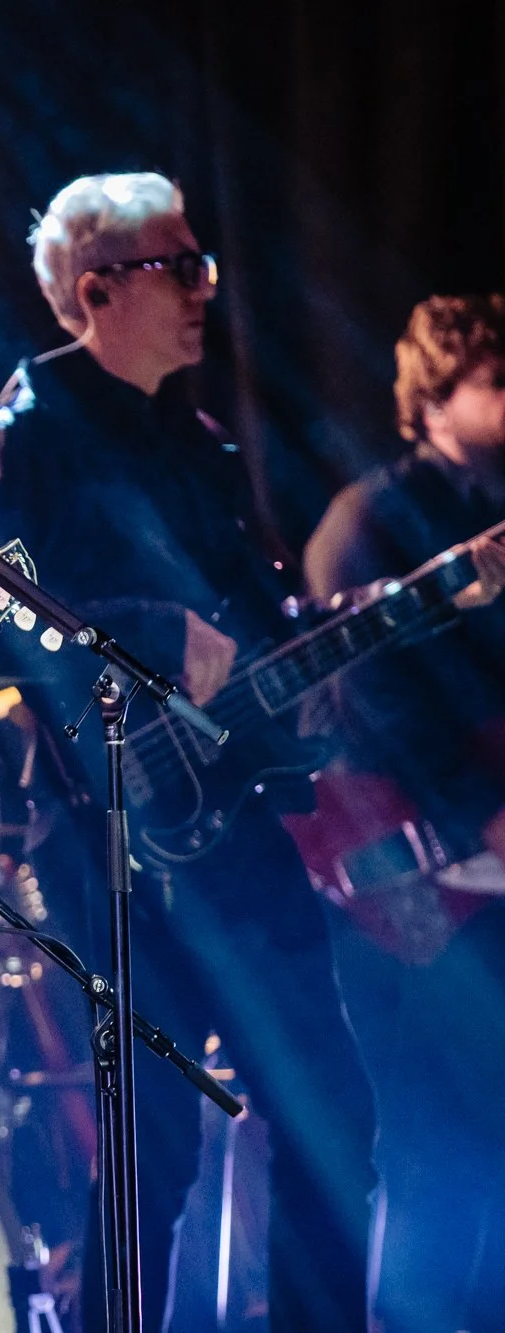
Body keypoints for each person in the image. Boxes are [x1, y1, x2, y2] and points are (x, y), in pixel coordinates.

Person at [0, 172, 377, 1330]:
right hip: (102, 835)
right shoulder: (18, 435)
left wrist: (307, 686)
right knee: (153, 1147)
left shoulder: (199, 444)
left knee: (329, 1113)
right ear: (92, 291)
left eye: (201, 264)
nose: (199, 290)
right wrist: (136, 626)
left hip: (228, 821)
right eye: (176, 266)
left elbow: (253, 635)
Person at [301, 294, 505, 1333]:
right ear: (430, 397)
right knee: (433, 1147)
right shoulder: (372, 518)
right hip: (402, 888)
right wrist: (480, 814)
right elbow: (365, 696)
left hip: (481, 884)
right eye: (493, 381)